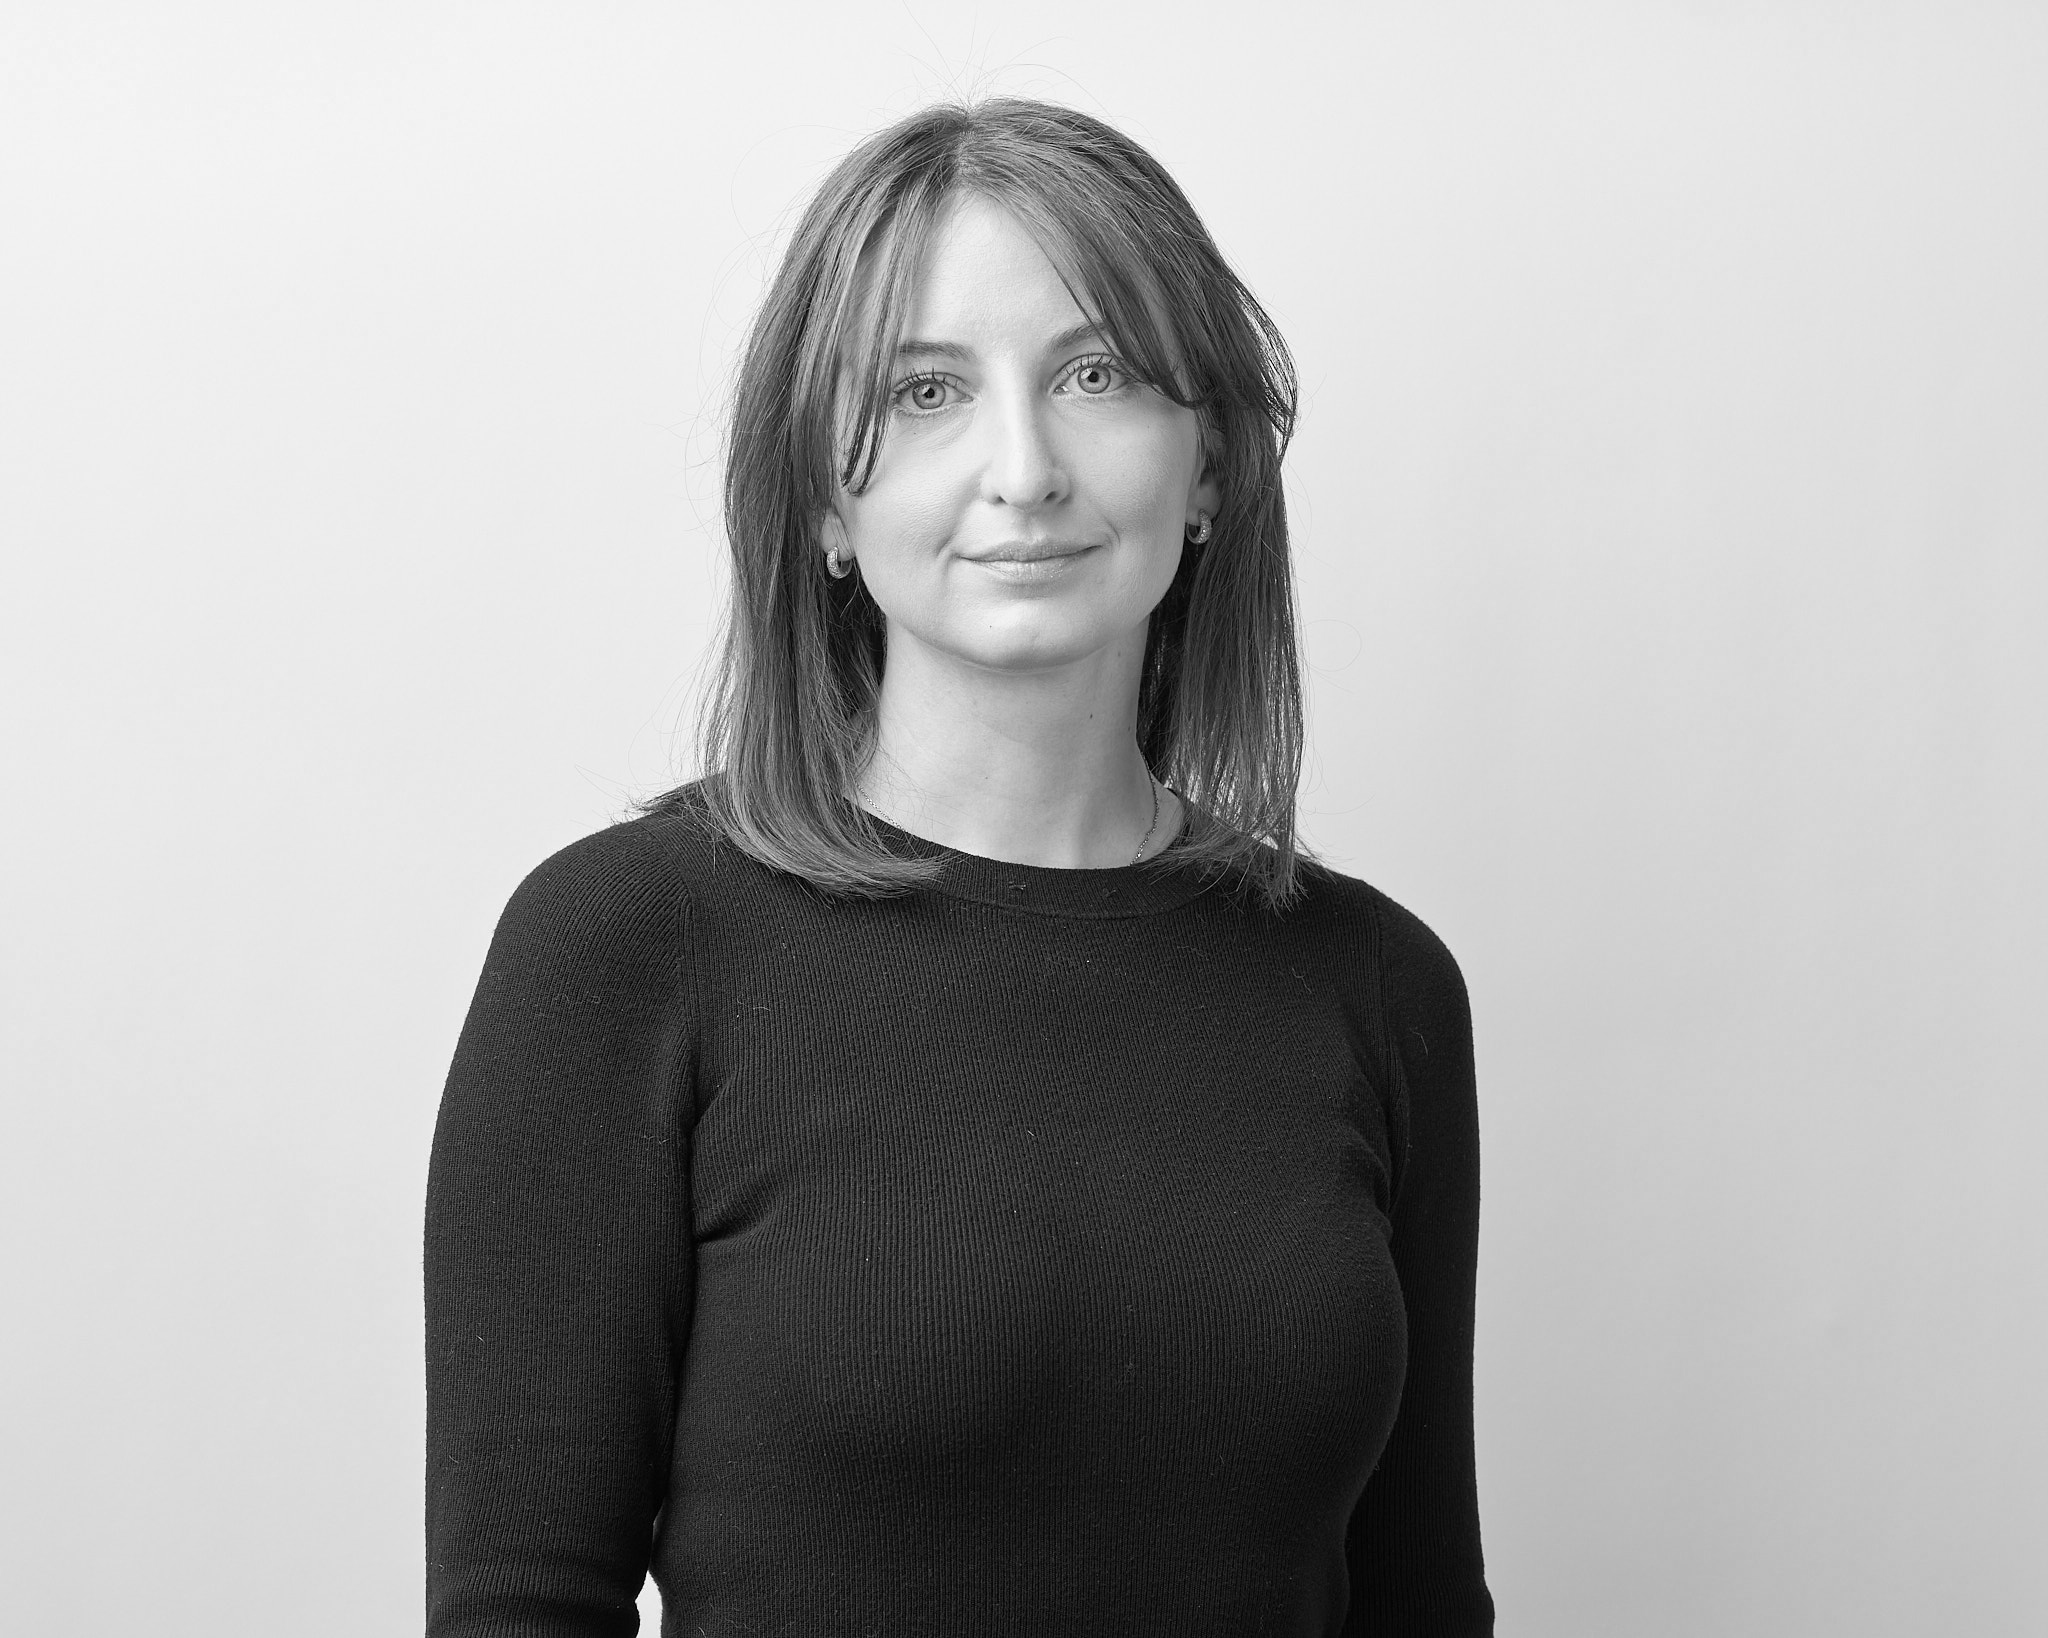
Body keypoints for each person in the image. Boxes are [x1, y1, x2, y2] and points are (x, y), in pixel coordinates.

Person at [424, 97, 1494, 1636]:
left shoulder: (1377, 985)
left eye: (1097, 372)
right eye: (926, 391)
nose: (1024, 466)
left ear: (1208, 467)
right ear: (823, 503)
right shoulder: (626, 945)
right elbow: (522, 1605)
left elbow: (1422, 1606)